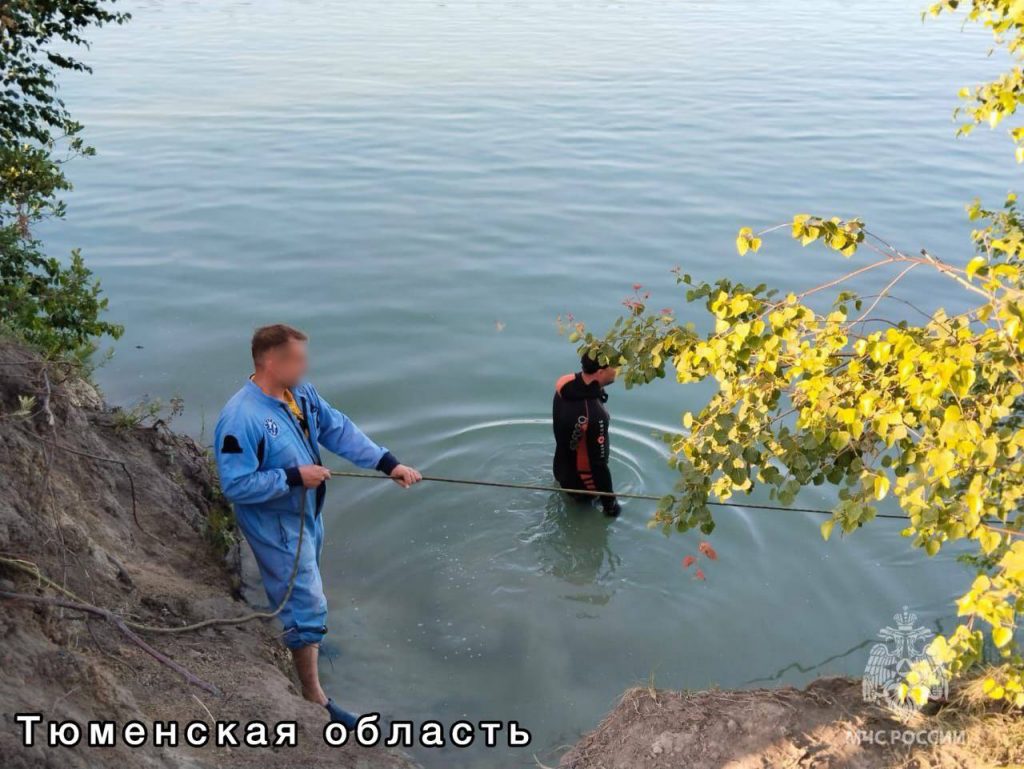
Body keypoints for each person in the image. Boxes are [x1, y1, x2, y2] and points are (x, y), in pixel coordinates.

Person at [213, 324, 421, 727]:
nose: (306, 366)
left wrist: (387, 464)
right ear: (272, 361)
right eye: (299, 359)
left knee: (306, 593)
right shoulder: (241, 419)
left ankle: (306, 638)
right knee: (307, 602)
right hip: (276, 522)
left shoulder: (299, 394)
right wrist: (294, 477)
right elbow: (236, 485)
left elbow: (336, 428)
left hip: (307, 514)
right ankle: (314, 696)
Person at [552, 353, 621, 517]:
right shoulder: (595, 416)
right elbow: (599, 466)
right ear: (600, 372)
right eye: (615, 366)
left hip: (560, 469)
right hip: (584, 486)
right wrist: (610, 505)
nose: (618, 370)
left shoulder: (565, 384)